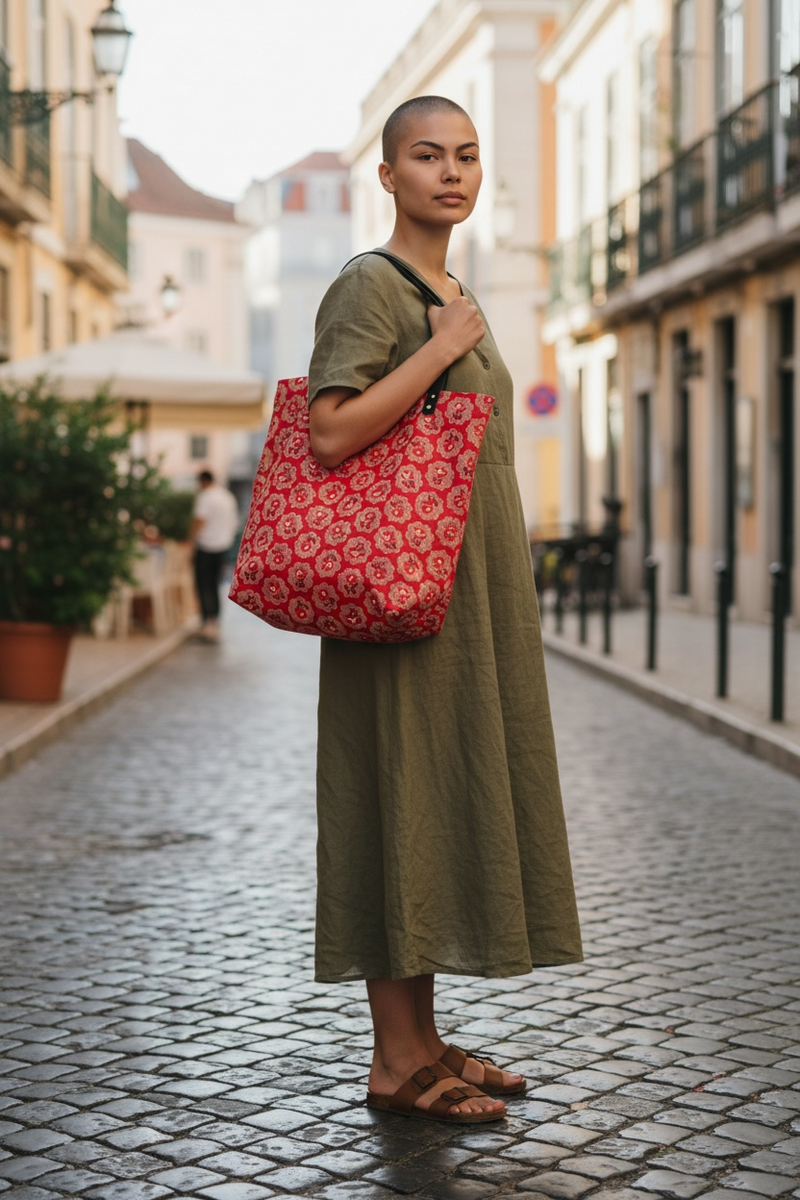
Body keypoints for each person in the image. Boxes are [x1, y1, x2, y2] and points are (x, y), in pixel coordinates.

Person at [306, 96, 582, 1125]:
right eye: (426, 156)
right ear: (387, 175)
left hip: (461, 592)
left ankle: (421, 1039)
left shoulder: (450, 285)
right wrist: (437, 348)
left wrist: (452, 327)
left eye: (465, 155)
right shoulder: (370, 286)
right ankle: (392, 1059)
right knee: (396, 795)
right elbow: (330, 432)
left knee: (433, 799)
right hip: (399, 591)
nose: (449, 173)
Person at [191, 469, 239, 642]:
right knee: (215, 585)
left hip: (205, 546)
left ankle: (207, 622)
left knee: (203, 585)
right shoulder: (227, 497)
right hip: (223, 547)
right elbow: (234, 522)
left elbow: (199, 521)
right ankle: (214, 622)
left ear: (203, 481)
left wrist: (190, 540)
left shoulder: (205, 497)